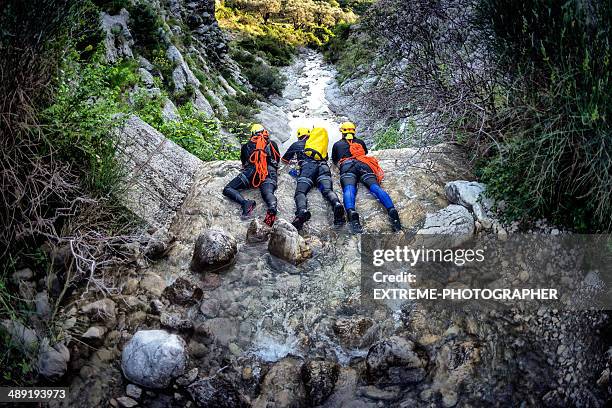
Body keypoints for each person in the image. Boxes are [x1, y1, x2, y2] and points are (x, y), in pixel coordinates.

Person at [331, 121, 402, 234]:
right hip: (364, 165)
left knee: (349, 189)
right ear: (354, 131)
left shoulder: (337, 145)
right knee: (375, 187)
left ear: (342, 132)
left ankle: (352, 213)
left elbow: (335, 160)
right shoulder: (360, 142)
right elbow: (365, 153)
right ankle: (392, 210)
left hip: (347, 166)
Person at [282, 127, 345, 230]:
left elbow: (284, 161)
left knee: (301, 193)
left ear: (299, 137)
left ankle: (302, 211)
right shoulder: (319, 145)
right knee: (327, 190)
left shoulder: (296, 144)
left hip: (308, 169)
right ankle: (336, 203)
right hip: (323, 168)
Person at [223, 124, 280, 226]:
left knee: (228, 188)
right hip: (269, 173)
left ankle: (245, 203)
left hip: (251, 173)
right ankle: (271, 210)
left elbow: (244, 164)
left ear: (252, 134)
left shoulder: (246, 146)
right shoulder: (272, 144)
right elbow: (277, 160)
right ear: (264, 132)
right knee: (268, 193)